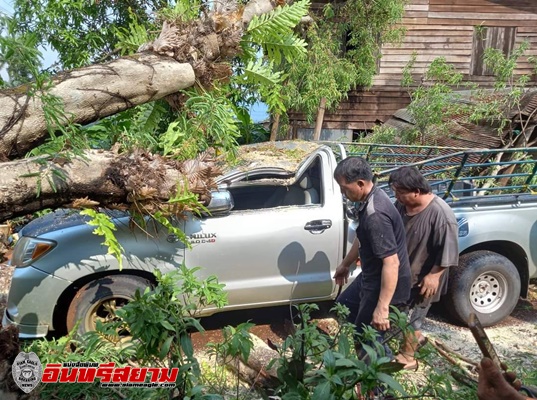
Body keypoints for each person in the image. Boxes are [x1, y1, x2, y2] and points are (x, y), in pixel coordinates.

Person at [333, 157, 411, 356]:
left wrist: (382, 307)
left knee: (366, 337)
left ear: (360, 183)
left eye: (344, 188)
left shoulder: (375, 215)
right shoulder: (368, 199)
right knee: (345, 306)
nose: (343, 193)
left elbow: (392, 263)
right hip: (370, 277)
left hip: (384, 284)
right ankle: (378, 354)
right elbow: (363, 238)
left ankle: (377, 380)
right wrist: (345, 264)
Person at [388, 166, 459, 370]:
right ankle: (415, 340)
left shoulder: (441, 215)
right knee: (399, 314)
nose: (397, 197)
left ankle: (407, 357)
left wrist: (434, 276)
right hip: (404, 273)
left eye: (400, 193)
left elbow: (449, 251)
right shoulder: (402, 205)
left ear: (416, 192)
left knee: (413, 318)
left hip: (425, 278)